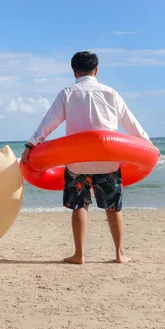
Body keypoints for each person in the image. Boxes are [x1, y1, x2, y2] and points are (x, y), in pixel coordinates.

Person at [22, 51, 150, 264]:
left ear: (74, 72)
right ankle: (120, 254)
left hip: (77, 164)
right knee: (113, 208)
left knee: (80, 207)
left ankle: (79, 255)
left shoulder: (68, 93)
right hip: (108, 163)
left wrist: (31, 144)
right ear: (96, 70)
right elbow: (131, 122)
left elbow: (49, 122)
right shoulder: (110, 93)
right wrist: (147, 144)